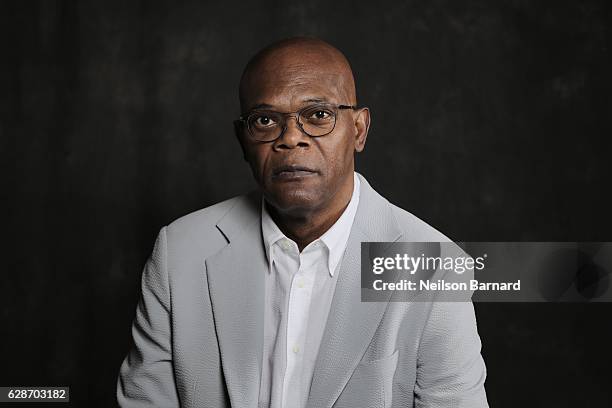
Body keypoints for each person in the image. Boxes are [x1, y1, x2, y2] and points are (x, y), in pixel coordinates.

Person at [116, 37, 488, 408]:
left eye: (318, 115)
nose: (291, 138)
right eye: (264, 120)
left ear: (358, 129)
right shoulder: (179, 253)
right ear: (243, 140)